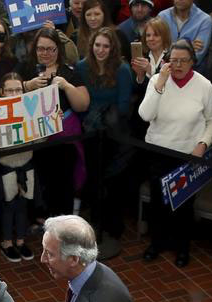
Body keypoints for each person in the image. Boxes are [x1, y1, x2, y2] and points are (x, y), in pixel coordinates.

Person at [138, 39, 212, 266]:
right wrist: (160, 83)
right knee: (157, 201)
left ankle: (182, 248)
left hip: (187, 154)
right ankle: (156, 243)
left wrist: (203, 143)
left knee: (184, 206)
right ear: (167, 61)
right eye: (174, 61)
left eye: (184, 61)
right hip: (158, 149)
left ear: (193, 61)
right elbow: (145, 115)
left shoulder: (204, 85)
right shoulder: (157, 80)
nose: (179, 65)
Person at [18, 27, 91, 217]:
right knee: (38, 183)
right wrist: (27, 86)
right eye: (41, 49)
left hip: (62, 142)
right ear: (34, 49)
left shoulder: (68, 72)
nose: (46, 53)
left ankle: (64, 224)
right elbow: (6, 95)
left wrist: (66, 86)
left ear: (58, 49)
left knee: (63, 184)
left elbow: (82, 104)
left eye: (51, 49)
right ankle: (40, 220)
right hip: (33, 140)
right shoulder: (24, 68)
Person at [76, 28, 133, 258]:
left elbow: (123, 106)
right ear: (91, 46)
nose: (101, 50)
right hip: (89, 134)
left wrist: (102, 118)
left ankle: (111, 229)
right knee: (92, 179)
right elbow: (78, 102)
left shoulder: (122, 69)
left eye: (106, 46)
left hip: (113, 135)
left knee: (112, 181)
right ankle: (94, 226)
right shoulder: (81, 67)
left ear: (113, 49)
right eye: (97, 45)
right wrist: (88, 121)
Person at [0, 73, 36, 262]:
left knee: (23, 204)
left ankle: (20, 240)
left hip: (27, 163)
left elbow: (41, 137)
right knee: (8, 205)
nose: (14, 93)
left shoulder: (29, 109)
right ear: (2, 92)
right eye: (9, 90)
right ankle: (7, 242)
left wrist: (52, 120)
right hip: (6, 166)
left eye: (18, 89)